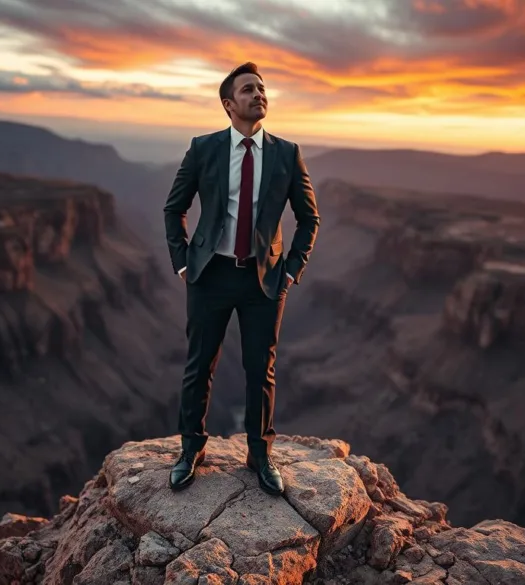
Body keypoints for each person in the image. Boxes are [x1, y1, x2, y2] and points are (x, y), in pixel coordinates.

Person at [162, 62, 320, 495]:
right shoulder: (203, 149)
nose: (259, 94)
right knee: (199, 366)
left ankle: (260, 454)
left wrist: (291, 270)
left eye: (262, 89)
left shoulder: (287, 153)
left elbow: (309, 218)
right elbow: (173, 208)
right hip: (209, 274)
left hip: (263, 280)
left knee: (260, 370)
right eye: (249, 90)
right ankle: (191, 449)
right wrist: (182, 263)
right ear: (229, 105)